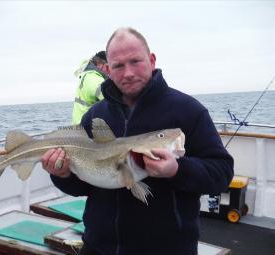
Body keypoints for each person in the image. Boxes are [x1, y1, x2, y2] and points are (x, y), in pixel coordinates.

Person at [42, 27, 234, 255]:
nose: (128, 73)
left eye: (135, 61)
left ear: (151, 60)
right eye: (118, 66)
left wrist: (177, 170)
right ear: (108, 69)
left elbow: (221, 174)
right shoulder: (95, 115)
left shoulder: (188, 111)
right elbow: (84, 184)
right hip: (98, 247)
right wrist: (62, 174)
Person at [71, 51, 108, 124]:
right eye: (107, 66)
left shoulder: (86, 75)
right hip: (86, 130)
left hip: (77, 127)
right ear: (98, 64)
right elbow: (114, 103)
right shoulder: (96, 80)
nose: (109, 71)